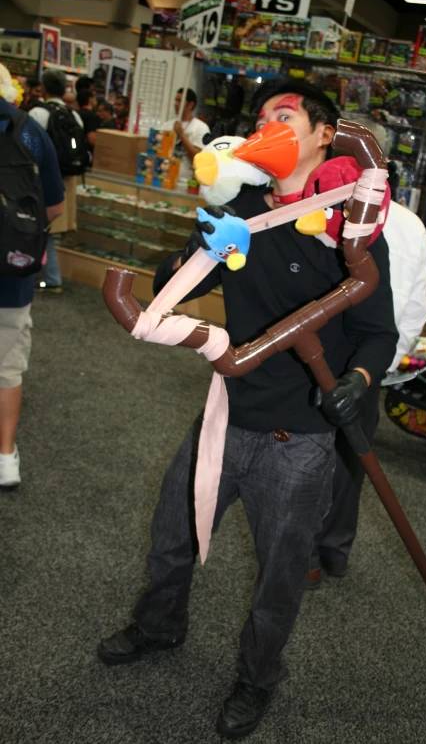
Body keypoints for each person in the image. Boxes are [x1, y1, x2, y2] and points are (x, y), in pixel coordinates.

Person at [98, 79, 398, 739]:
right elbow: (172, 284)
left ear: (325, 133)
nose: (270, 125)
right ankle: (158, 626)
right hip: (225, 411)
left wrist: (360, 378)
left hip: (299, 437)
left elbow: (380, 331)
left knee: (281, 574)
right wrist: (196, 247)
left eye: (285, 116)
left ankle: (257, 678)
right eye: (262, 117)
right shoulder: (242, 203)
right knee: (172, 533)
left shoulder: (352, 221)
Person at [308, 201, 426, 586]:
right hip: (369, 361)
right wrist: (384, 364)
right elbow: (416, 307)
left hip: (333, 356)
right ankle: (332, 550)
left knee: (318, 454)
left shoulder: (325, 210)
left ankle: (312, 553)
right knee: (350, 457)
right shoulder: (411, 223)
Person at [0, 69, 64, 487]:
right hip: (12, 272)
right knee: (6, 367)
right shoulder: (28, 131)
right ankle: (5, 458)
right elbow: (54, 207)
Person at [29, 69, 85, 294]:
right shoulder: (74, 115)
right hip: (69, 179)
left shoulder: (37, 113)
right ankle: (48, 275)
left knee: (40, 226)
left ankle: (50, 277)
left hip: (41, 177)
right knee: (49, 229)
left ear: (43, 88)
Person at [161, 88, 210, 186]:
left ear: (190, 105)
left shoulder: (201, 128)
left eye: (180, 101)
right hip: (164, 178)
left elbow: (198, 159)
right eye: (176, 100)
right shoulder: (166, 126)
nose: (175, 104)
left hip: (185, 183)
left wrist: (182, 135)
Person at [77, 88, 100, 153]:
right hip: (86, 153)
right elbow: (92, 139)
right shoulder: (93, 117)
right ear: (90, 99)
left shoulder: (75, 113)